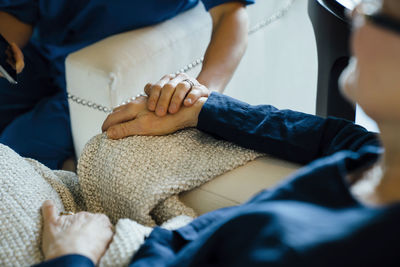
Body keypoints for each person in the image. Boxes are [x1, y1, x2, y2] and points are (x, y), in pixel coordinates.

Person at [35, 0, 400, 266]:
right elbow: (325, 135)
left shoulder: (345, 246)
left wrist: (73, 254)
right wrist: (201, 107)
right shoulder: (373, 157)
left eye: (377, 12)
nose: (355, 14)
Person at [0, 0, 253, 169]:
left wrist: (205, 90)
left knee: (16, 150)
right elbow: (19, 14)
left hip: (107, 73)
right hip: (45, 54)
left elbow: (230, 12)